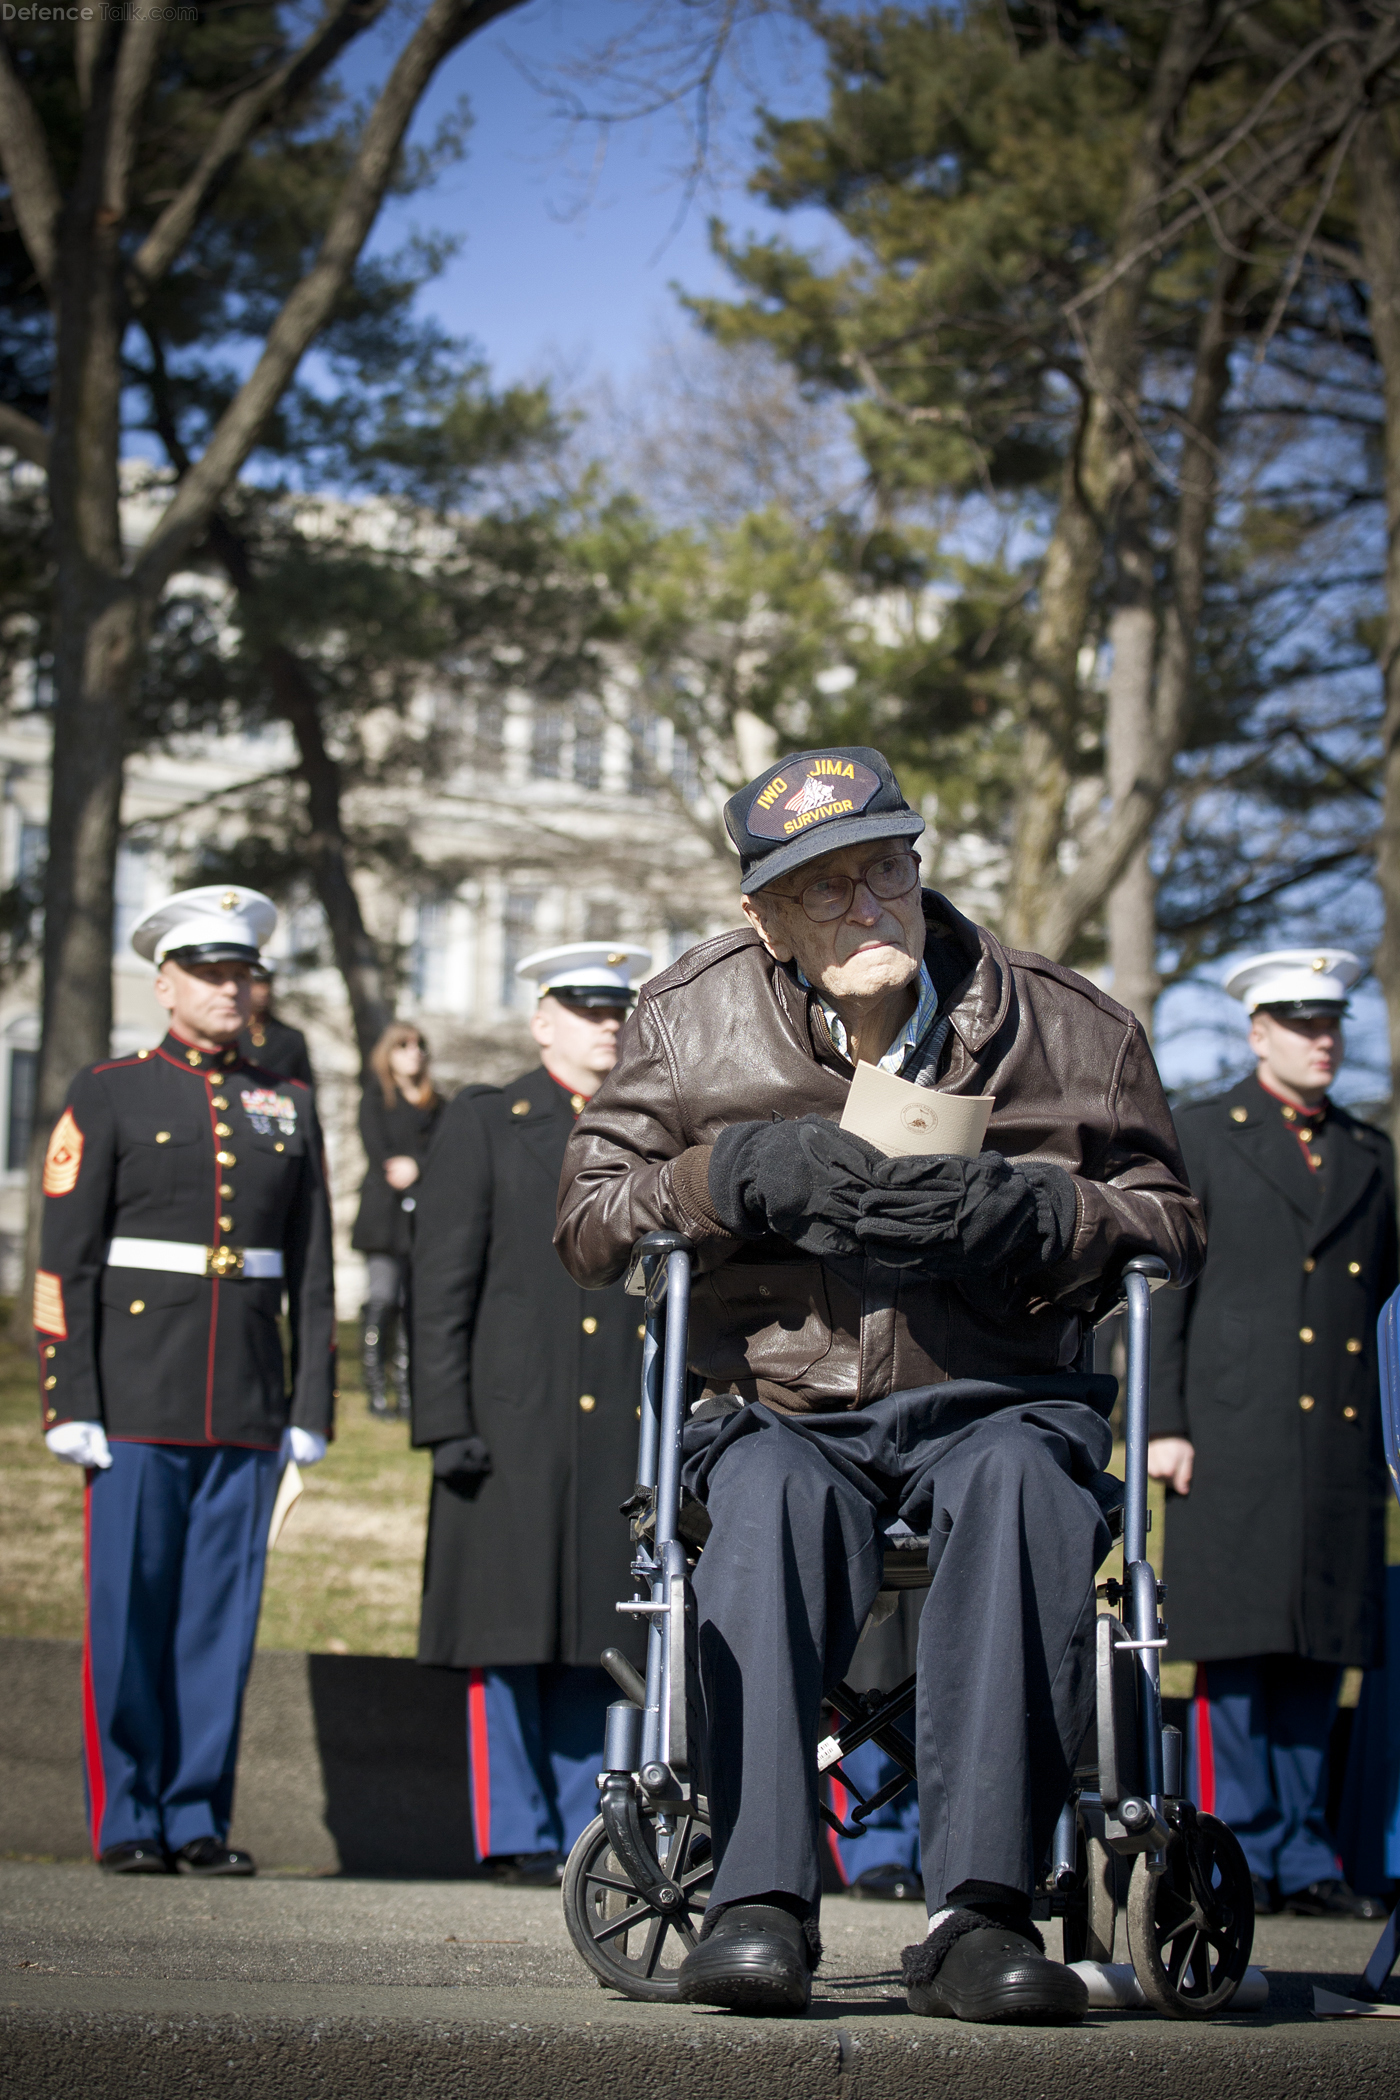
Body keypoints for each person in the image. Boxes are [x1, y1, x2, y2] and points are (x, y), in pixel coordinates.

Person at [556, 745, 1203, 2024]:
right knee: (766, 1499)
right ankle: (756, 1900)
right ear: (763, 918)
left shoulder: (1073, 1028)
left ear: (919, 867)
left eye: (886, 872)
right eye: (825, 890)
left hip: (998, 1396)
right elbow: (586, 1222)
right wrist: (725, 1178)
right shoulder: (686, 1017)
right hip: (777, 1402)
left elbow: (1170, 1226)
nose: (867, 909)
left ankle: (980, 1908)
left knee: (1026, 1486)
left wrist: (1034, 1211)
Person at [37, 885, 336, 1876]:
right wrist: (69, 1399)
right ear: (165, 984)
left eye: (243, 972)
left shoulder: (287, 1105)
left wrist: (309, 1407)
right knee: (130, 1616)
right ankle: (127, 1816)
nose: (229, 988)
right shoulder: (109, 1091)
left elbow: (312, 1267)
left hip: (245, 1401)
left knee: (218, 1623)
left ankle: (197, 1814)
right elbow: (64, 1263)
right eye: (209, 972)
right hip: (133, 1399)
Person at [1148, 948, 1395, 1924]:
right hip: (1228, 1438)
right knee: (1237, 1657)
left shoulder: (1370, 1156)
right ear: (1257, 1033)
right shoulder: (1202, 1137)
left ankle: (1303, 1852)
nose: (1320, 1039)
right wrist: (1160, 1422)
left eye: (1330, 1024)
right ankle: (1237, 1848)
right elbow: (1166, 1294)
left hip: (1336, 1446)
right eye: (1300, 1024)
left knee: (1315, 1653)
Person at [411, 942, 651, 1885]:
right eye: (586, 1010)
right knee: (506, 1636)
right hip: (507, 1423)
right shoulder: (485, 1121)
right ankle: (514, 1830)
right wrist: (444, 1421)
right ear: (542, 1019)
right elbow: (441, 1284)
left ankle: (595, 1835)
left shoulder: (652, 1129)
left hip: (617, 1430)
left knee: (606, 1639)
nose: (608, 1025)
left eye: (619, 1010)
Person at [352, 1023, 442, 1418]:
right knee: (383, 1297)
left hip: (423, 1214)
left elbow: (447, 1153)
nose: (413, 1053)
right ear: (387, 1054)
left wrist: (418, 1166)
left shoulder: (438, 1104)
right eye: (403, 1046)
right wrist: (400, 1167)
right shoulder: (374, 1100)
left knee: (413, 1303)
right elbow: (377, 1152)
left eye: (419, 1046)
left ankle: (408, 1394)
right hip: (383, 1215)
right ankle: (375, 1392)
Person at [237, 959, 313, 1084]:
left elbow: (305, 1089)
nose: (263, 991)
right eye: (256, 984)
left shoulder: (291, 1038)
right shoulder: (229, 1036)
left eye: (267, 983)